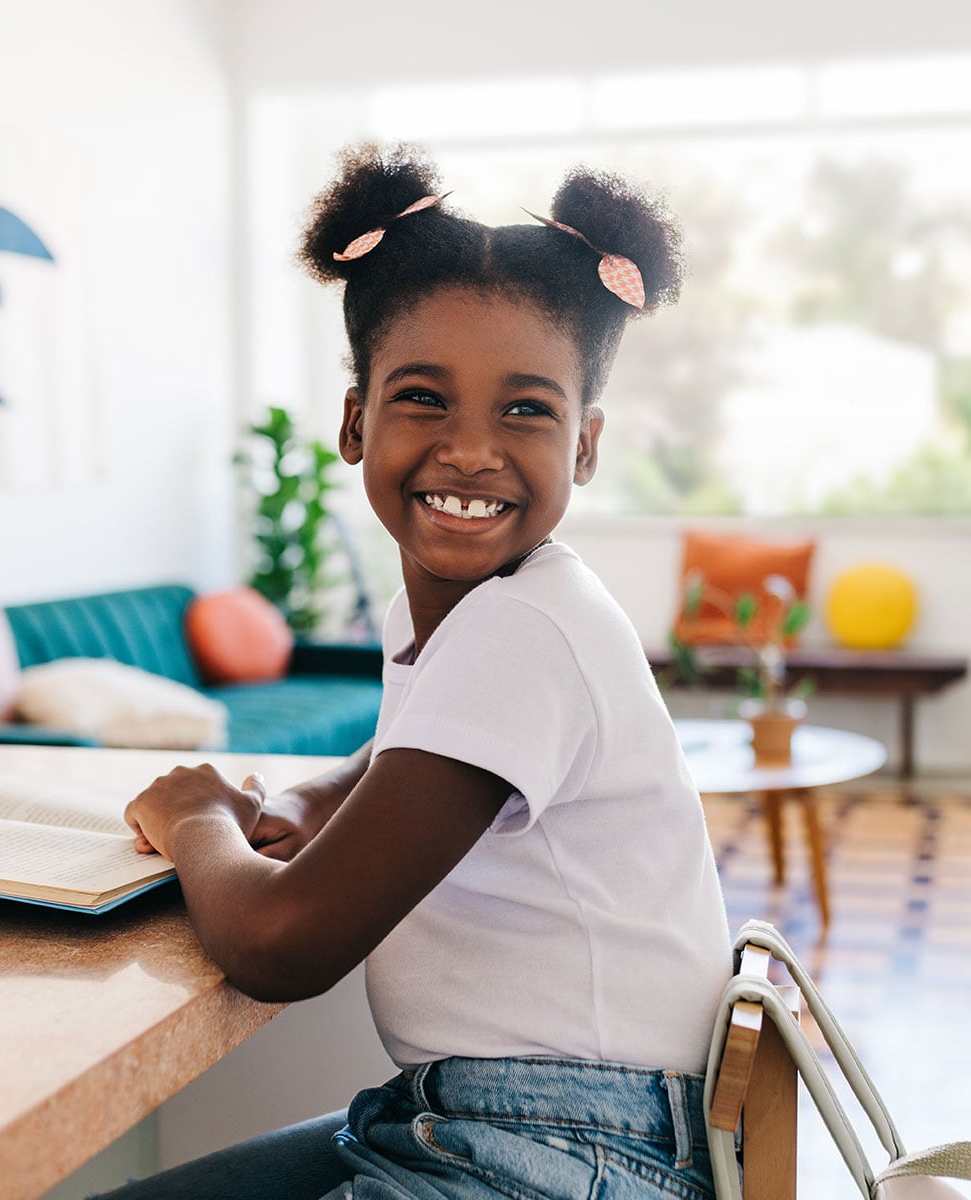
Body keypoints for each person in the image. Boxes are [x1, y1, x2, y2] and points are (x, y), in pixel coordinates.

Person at [104, 143, 731, 1200]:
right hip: (490, 1123)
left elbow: (283, 944)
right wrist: (305, 797)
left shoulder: (521, 630)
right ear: (357, 423)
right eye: (425, 400)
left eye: (526, 410)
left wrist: (197, 816)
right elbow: (419, 747)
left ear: (585, 444)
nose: (473, 450)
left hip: (571, 1155)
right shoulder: (485, 613)